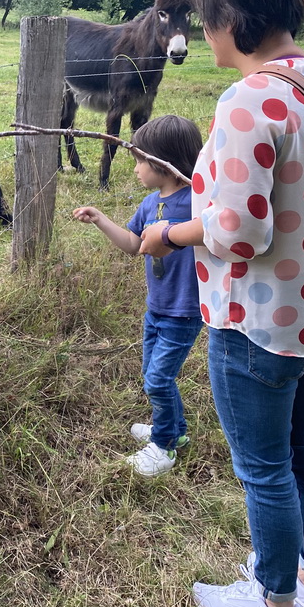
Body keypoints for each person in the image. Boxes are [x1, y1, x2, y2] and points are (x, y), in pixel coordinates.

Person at [140, 0, 304, 607]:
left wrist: (170, 237)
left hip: (258, 322)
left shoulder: (247, 100)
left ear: (233, 19)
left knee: (265, 468)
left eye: (207, 17)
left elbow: (238, 233)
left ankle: (274, 605)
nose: (203, 31)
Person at [72, 114, 203, 477]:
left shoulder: (200, 202)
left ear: (165, 164)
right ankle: (174, 430)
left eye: (140, 162)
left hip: (185, 310)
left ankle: (163, 447)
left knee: (158, 380)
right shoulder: (149, 204)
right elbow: (134, 245)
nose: (135, 170)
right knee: (152, 374)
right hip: (157, 308)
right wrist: (100, 219)